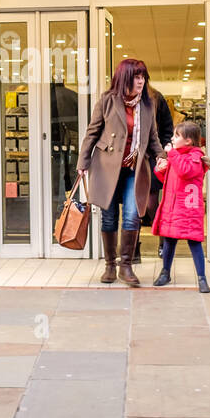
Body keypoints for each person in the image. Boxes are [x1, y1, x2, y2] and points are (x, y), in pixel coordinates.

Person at [77, 58, 165, 287]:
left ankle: (126, 266)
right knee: (109, 216)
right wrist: (83, 161)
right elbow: (92, 132)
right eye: (137, 77)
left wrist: (163, 158)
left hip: (135, 170)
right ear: (125, 77)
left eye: (143, 77)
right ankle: (110, 266)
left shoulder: (148, 104)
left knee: (132, 214)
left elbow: (153, 137)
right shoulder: (107, 100)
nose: (141, 81)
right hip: (107, 168)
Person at [151, 119, 210, 293]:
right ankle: (165, 272)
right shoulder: (177, 156)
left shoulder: (195, 156)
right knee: (169, 239)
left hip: (188, 209)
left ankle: (202, 277)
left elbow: (186, 172)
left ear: (189, 141)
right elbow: (168, 179)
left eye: (176, 136)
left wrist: (171, 155)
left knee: (194, 241)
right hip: (173, 208)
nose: (172, 139)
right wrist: (160, 169)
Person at [137, 85, 175, 265]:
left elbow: (168, 128)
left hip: (153, 155)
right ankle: (133, 247)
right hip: (131, 158)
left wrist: (163, 151)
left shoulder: (156, 97)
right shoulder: (122, 96)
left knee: (152, 202)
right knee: (134, 204)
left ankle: (162, 243)